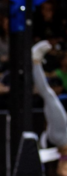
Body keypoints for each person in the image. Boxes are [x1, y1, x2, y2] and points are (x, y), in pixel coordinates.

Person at [32, 40, 67, 175]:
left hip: (62, 138)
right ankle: (35, 62)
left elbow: (62, 171)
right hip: (62, 137)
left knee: (49, 96)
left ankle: (35, 62)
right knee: (49, 96)